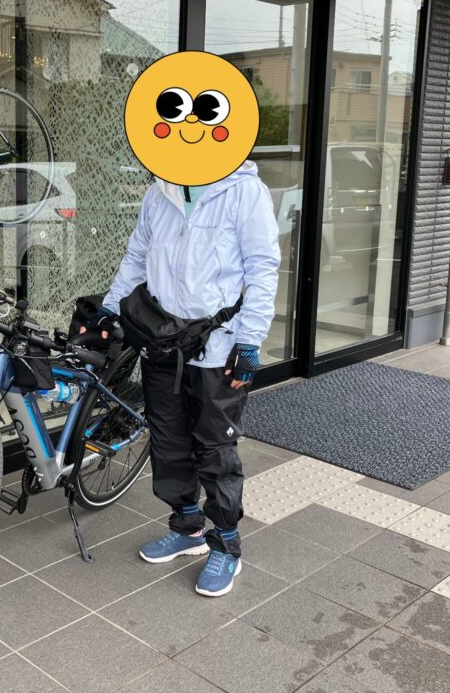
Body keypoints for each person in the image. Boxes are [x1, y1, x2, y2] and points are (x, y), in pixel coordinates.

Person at [90, 160, 280, 597]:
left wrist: (249, 340)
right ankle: (187, 527)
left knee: (214, 448)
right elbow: (137, 257)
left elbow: (263, 268)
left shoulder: (243, 191)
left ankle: (226, 545)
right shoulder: (160, 191)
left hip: (218, 349)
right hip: (161, 342)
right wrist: (111, 308)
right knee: (168, 441)